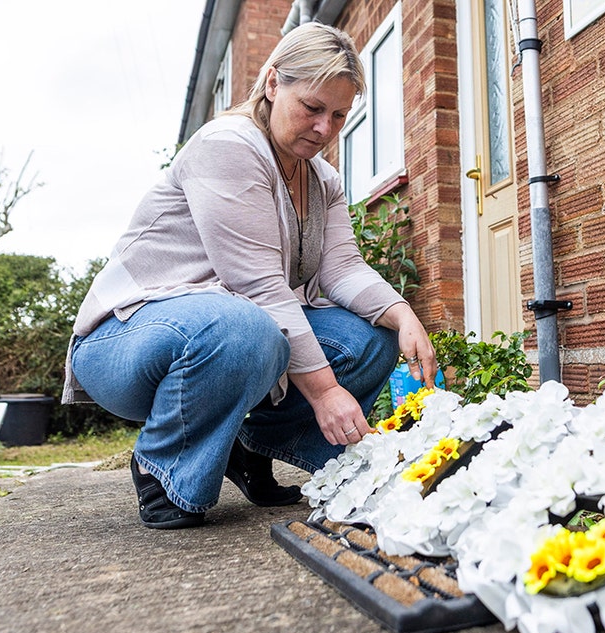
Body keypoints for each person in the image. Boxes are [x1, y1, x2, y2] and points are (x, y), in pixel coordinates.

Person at [62, 23, 437, 530]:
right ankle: (164, 469)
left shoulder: (321, 178)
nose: (325, 129)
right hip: (128, 340)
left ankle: (249, 445)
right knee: (245, 327)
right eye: (311, 107)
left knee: (370, 339)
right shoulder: (229, 146)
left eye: (339, 115)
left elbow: (342, 267)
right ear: (271, 82)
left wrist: (402, 313)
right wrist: (325, 392)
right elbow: (259, 287)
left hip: (227, 327)